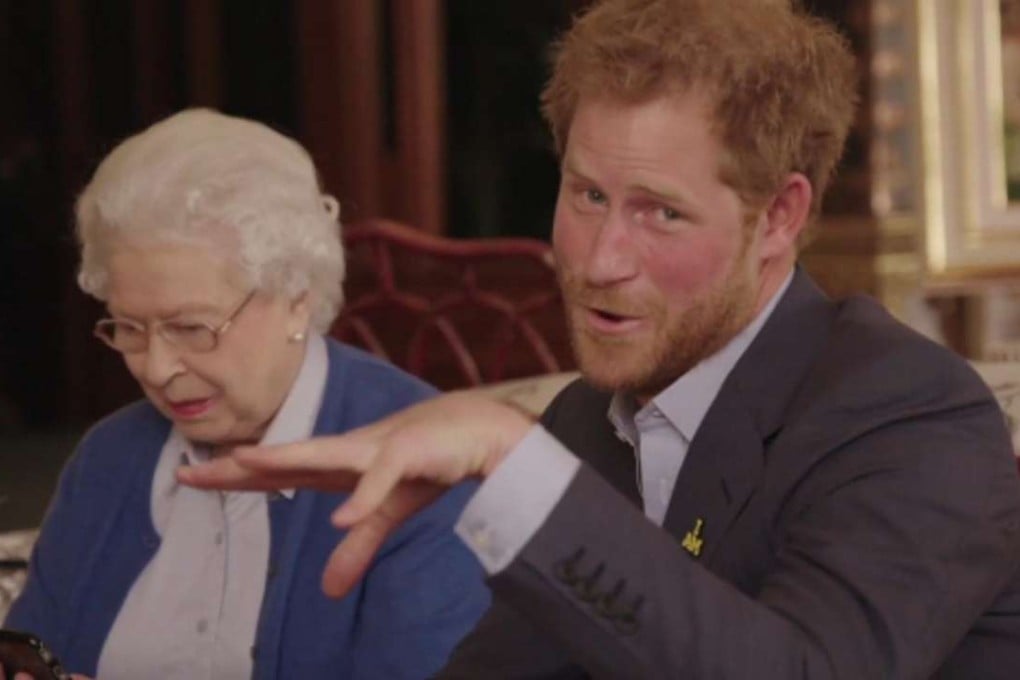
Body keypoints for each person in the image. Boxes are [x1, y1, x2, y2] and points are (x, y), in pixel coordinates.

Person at [180, 0, 1020, 677]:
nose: (599, 261)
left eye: (661, 211)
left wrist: (515, 466)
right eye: (587, 196)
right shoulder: (588, 423)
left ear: (779, 218)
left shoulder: (907, 415)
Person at [3, 109, 489, 679]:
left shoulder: (419, 464)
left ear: (297, 296)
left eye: (191, 328)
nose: (157, 369)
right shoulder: (108, 460)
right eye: (129, 328)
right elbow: (31, 653)